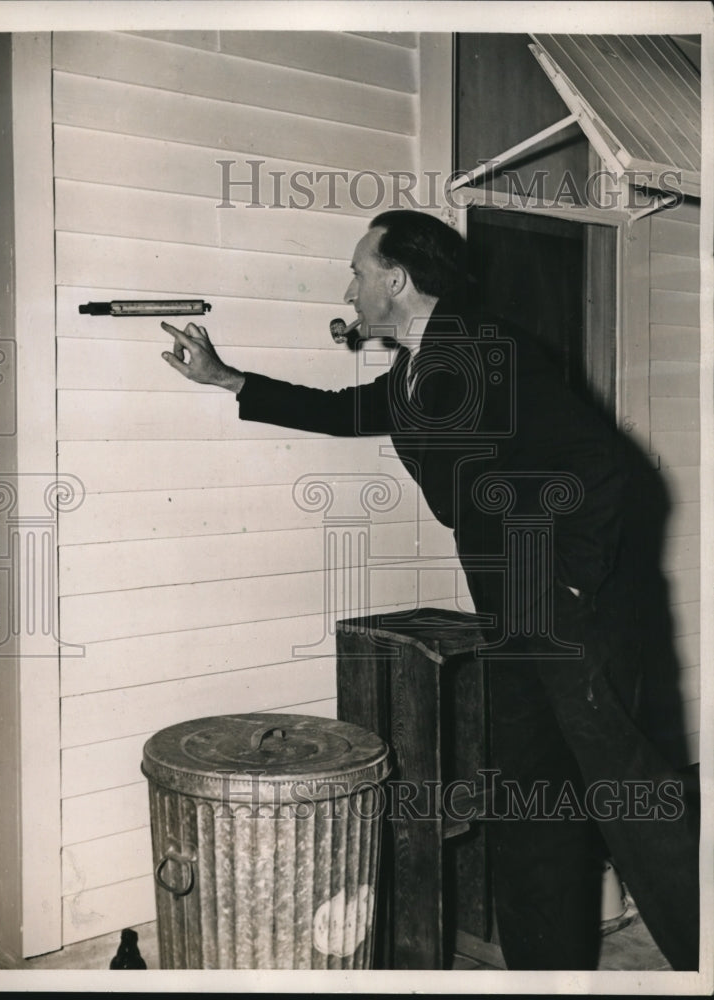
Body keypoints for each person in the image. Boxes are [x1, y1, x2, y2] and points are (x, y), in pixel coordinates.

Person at [161, 209, 699, 971]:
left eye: (356, 272)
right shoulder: (423, 362)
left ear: (395, 279)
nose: (347, 288)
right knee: (528, 803)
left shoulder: (484, 350)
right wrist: (229, 379)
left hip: (572, 613)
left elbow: (603, 470)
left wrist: (571, 584)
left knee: (628, 798)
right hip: (512, 612)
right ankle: (545, 976)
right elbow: (348, 411)